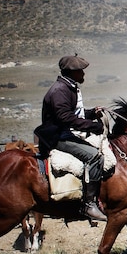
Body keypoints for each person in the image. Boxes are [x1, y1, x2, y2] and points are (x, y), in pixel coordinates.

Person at [34, 55, 108, 222]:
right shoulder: (60, 91)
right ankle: (89, 205)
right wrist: (93, 126)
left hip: (63, 132)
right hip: (57, 136)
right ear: (71, 72)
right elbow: (65, 118)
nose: (83, 74)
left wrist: (91, 114)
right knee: (95, 157)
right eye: (80, 71)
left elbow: (74, 114)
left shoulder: (68, 87)